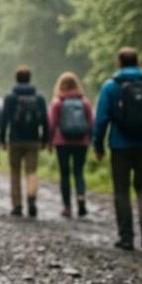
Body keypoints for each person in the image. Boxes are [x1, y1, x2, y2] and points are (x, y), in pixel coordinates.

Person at [92, 47, 142, 250]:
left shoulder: (111, 86)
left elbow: (101, 119)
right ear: (137, 61)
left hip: (120, 145)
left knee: (121, 190)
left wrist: (97, 144)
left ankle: (126, 236)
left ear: (119, 62)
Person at [0, 66, 49, 218]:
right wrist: (44, 139)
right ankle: (31, 198)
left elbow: (4, 120)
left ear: (16, 78)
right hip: (33, 140)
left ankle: (17, 205)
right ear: (30, 78)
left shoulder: (10, 97)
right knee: (31, 171)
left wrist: (3, 139)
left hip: (15, 140)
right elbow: (45, 120)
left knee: (15, 172)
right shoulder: (39, 97)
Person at [49, 71, 94, 219]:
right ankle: (81, 197)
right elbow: (91, 122)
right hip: (82, 142)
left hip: (62, 142)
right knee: (79, 171)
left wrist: (49, 141)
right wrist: (92, 139)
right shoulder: (84, 101)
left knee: (65, 174)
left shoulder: (58, 102)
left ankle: (67, 207)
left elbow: (52, 123)